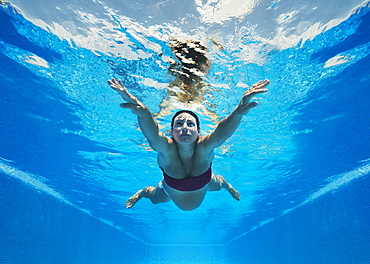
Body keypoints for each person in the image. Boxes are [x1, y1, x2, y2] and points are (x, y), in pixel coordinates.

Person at [108, 78, 269, 211]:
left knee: (219, 183)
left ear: (198, 132)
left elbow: (220, 134)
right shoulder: (167, 150)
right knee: (152, 197)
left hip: (206, 184)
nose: (184, 127)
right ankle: (140, 193)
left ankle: (228, 186)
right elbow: (154, 135)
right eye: (179, 124)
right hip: (168, 191)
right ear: (171, 132)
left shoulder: (204, 147)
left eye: (190, 124)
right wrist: (144, 114)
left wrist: (238, 112)